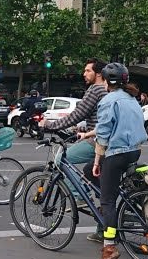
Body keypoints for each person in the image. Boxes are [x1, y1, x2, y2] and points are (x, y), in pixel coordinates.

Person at [41, 58, 108, 241]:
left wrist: (50, 124)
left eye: (87, 71)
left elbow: (77, 114)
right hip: (110, 141)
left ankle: (79, 195)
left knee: (61, 158)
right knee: (100, 186)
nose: (84, 74)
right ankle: (102, 231)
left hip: (98, 142)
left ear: (98, 73)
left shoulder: (95, 89)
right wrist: (82, 130)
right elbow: (98, 118)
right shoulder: (109, 90)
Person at [91, 62, 148, 259]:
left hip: (116, 154)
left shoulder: (108, 100)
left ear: (106, 81)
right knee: (90, 170)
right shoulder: (132, 99)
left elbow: (103, 134)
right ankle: (123, 205)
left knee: (107, 200)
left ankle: (109, 247)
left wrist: (98, 159)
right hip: (134, 150)